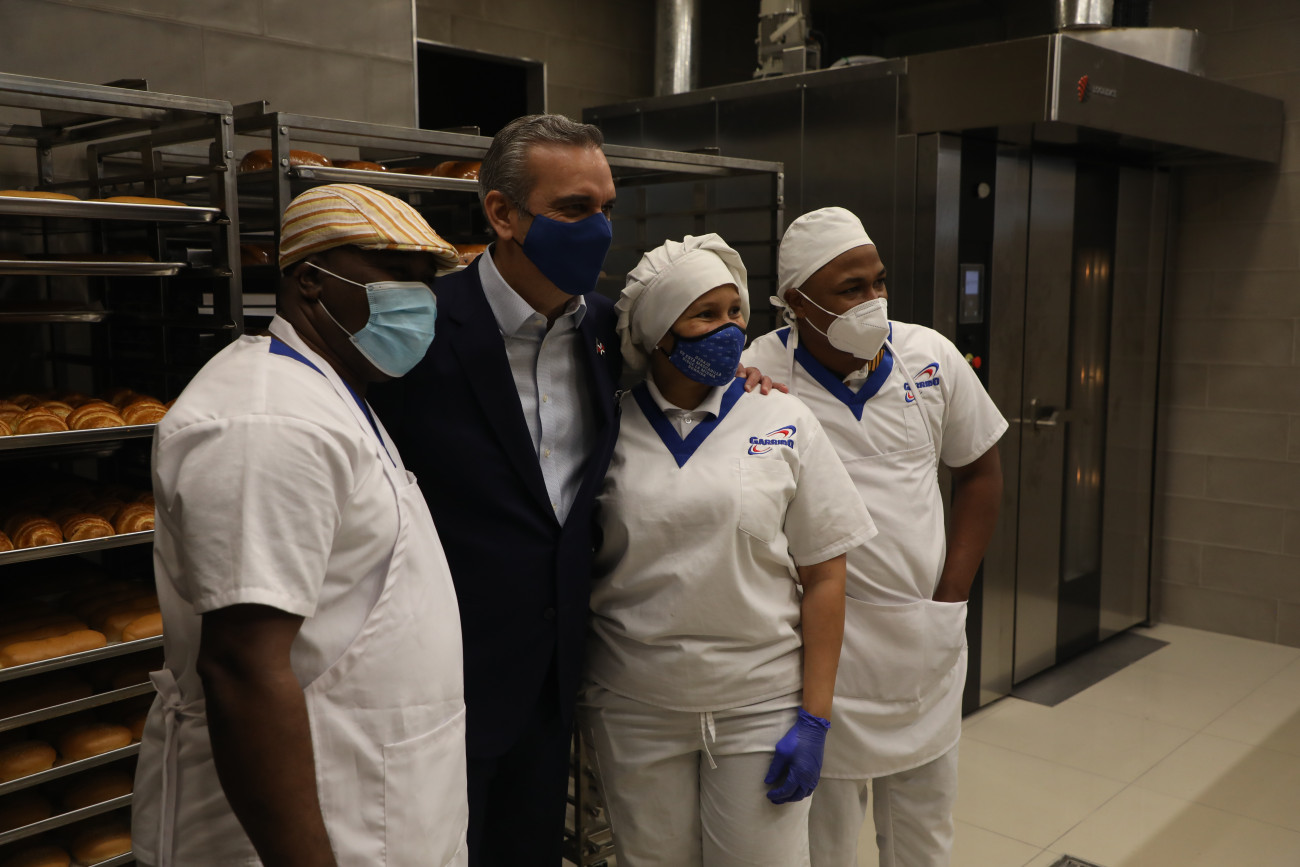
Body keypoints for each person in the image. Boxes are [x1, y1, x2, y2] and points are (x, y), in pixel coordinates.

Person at [371, 115, 775, 866]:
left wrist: (740, 374)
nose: (599, 229)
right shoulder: (420, 325)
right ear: (502, 214)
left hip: (555, 678)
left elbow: (684, 376)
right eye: (574, 209)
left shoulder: (609, 332)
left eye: (607, 208)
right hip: (438, 675)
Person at [132, 184, 469, 867]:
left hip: (379, 802)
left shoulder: (331, 393)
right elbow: (242, 669)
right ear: (310, 280)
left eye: (426, 281)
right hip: (314, 831)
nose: (418, 299)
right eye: (395, 274)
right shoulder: (268, 422)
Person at [577, 233, 875, 867]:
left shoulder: (782, 419)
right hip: (634, 703)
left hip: (759, 703)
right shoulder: (608, 427)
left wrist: (815, 718)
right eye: (705, 315)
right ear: (658, 333)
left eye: (736, 311)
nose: (730, 329)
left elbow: (826, 574)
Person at [742, 207, 1006, 867]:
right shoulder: (757, 370)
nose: (874, 301)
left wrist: (951, 594)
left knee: (923, 840)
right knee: (822, 845)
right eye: (851, 288)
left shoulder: (931, 358)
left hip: (922, 643)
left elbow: (980, 472)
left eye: (879, 281)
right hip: (815, 655)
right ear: (797, 302)